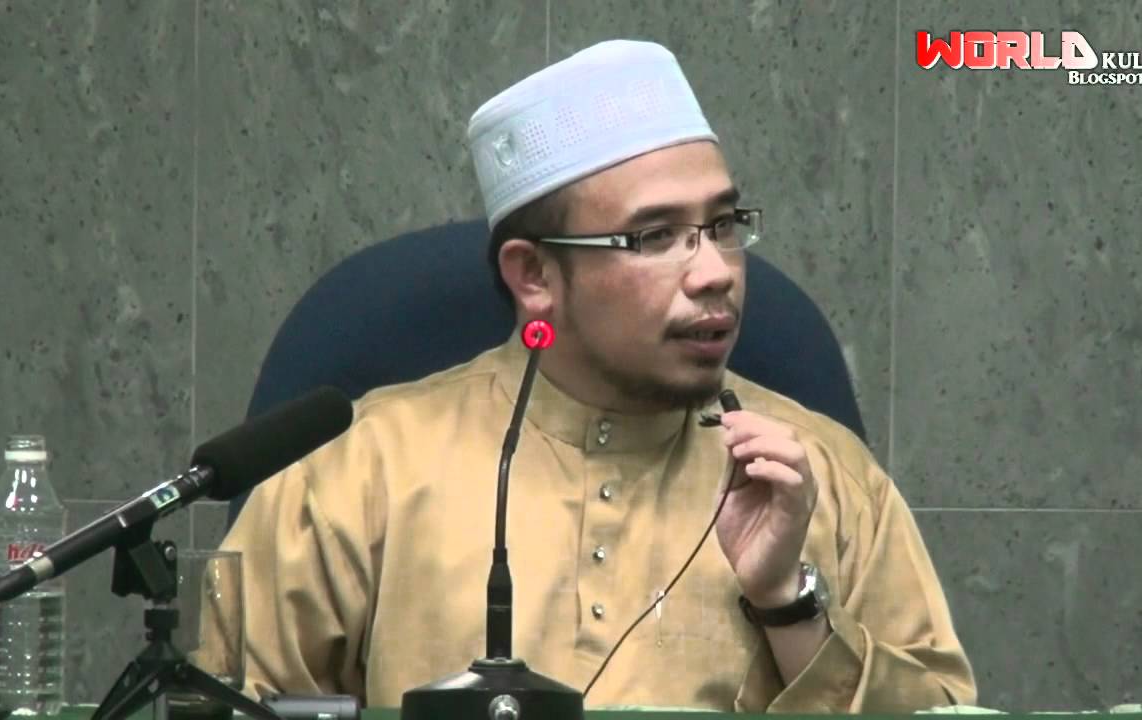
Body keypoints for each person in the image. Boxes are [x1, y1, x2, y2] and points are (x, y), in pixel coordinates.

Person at [219, 39, 976, 713]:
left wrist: (788, 605)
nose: (715, 272)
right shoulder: (358, 472)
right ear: (535, 275)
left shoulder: (824, 477)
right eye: (655, 236)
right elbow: (227, 701)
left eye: (722, 226)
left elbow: (942, 710)